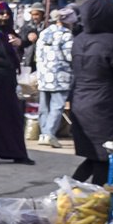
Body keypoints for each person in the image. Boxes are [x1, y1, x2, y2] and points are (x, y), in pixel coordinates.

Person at [70, 0, 113, 185]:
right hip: (104, 104)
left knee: (95, 155)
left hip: (80, 101)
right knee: (106, 157)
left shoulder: (79, 39)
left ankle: (66, 192)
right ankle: (94, 199)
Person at [0, 2, 34, 165]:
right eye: (1, 13)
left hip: (7, 84)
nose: (4, 16)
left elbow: (14, 56)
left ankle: (16, 153)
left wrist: (21, 43)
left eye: (7, 14)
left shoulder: (9, 34)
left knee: (13, 119)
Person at [35, 8, 75, 148]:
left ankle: (43, 133)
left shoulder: (44, 33)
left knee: (44, 106)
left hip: (44, 76)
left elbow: (38, 55)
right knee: (57, 106)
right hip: (60, 76)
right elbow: (70, 56)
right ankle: (50, 134)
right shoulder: (66, 35)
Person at [19, 2, 46, 69]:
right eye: (33, 15)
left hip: (43, 60)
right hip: (29, 59)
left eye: (37, 14)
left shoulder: (47, 26)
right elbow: (21, 38)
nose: (34, 17)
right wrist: (27, 35)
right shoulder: (26, 26)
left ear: (42, 14)